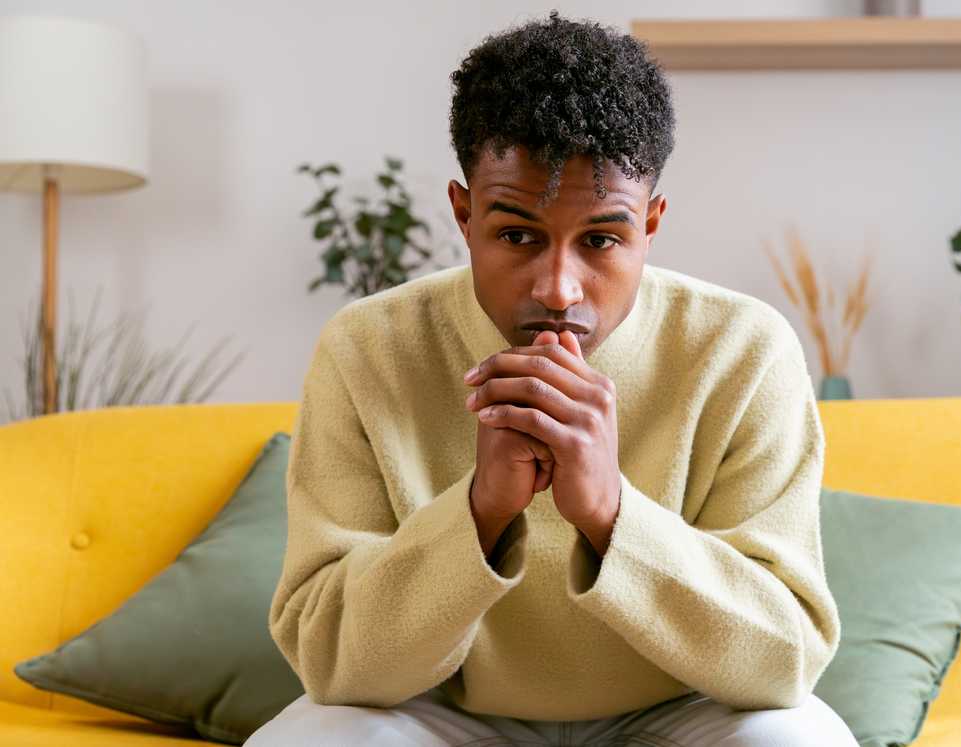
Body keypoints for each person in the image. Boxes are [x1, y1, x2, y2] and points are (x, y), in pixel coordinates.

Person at [246, 10, 859, 747]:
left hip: (678, 715)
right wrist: (479, 511)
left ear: (651, 224)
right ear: (464, 213)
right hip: (442, 714)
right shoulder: (368, 347)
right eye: (516, 235)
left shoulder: (742, 350)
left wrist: (610, 512)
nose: (559, 287)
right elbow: (328, 661)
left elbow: (785, 659)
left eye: (602, 238)